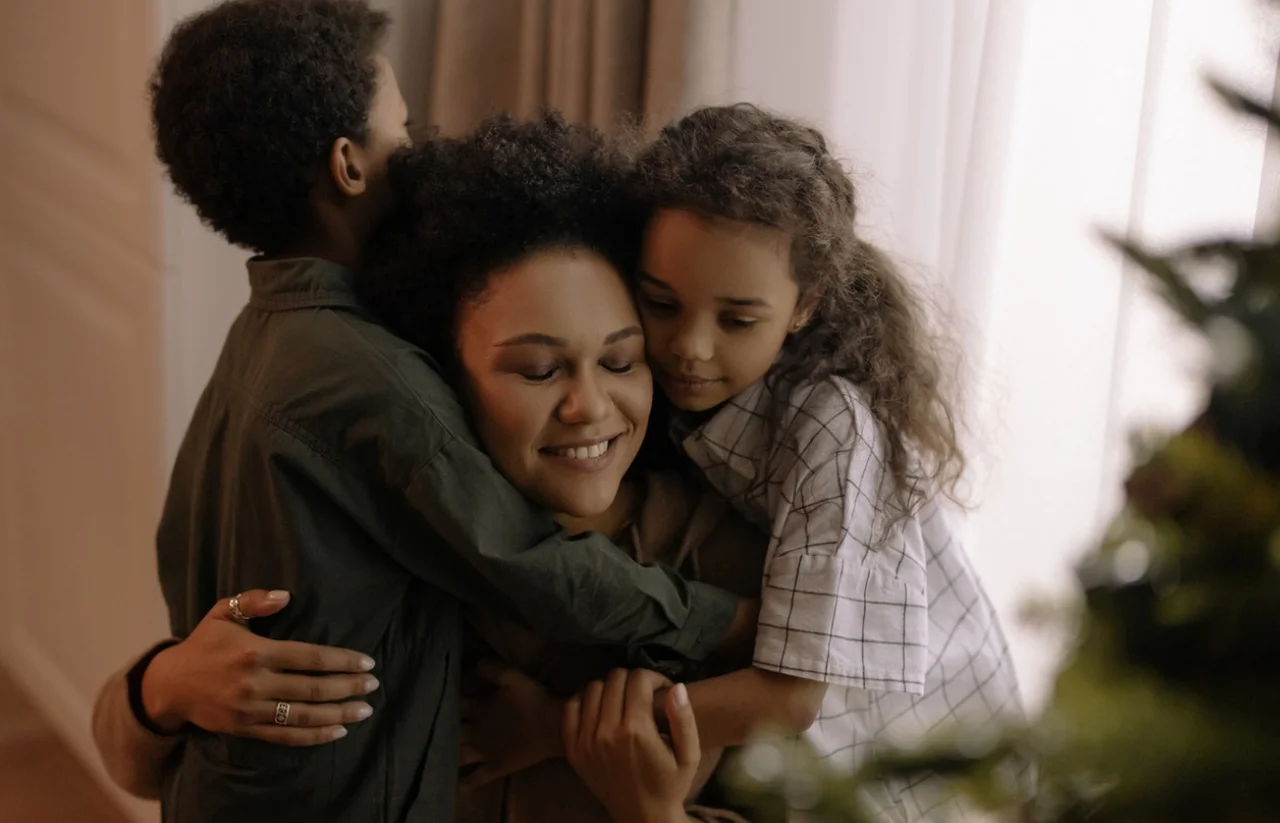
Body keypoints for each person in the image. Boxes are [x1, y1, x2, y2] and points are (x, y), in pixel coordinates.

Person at [97, 3, 750, 821]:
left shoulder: (254, 348)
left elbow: (178, 545)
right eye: (400, 131)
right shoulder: (370, 377)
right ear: (348, 164)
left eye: (619, 358)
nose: (586, 402)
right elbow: (523, 561)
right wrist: (725, 623)